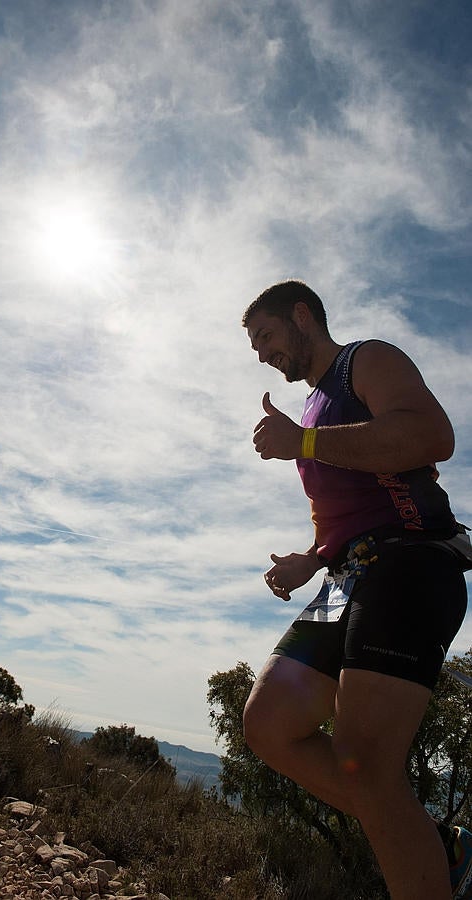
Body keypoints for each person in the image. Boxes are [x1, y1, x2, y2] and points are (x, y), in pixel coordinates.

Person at [241, 280, 472, 900]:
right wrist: (312, 558)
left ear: (302, 316)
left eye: (265, 336)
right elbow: (350, 508)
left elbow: (432, 436)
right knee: (268, 724)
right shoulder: (313, 406)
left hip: (409, 565)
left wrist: (303, 442)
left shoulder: (366, 361)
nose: (261, 353)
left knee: (367, 765)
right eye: (255, 345)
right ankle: (435, 843)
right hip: (346, 579)